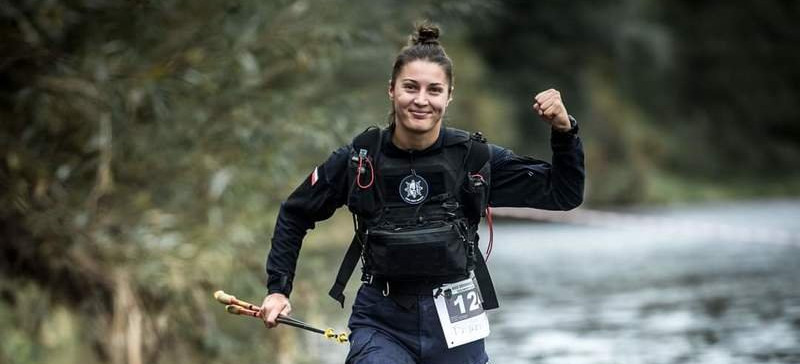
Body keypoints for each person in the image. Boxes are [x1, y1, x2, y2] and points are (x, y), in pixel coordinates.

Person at [260, 23, 584, 364]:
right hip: (381, 320)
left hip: (456, 320)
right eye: (410, 87)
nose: (421, 100)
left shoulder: (475, 159)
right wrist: (278, 289)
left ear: (449, 96)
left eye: (434, 90)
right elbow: (295, 212)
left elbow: (563, 194)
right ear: (391, 90)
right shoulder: (359, 160)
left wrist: (565, 132)